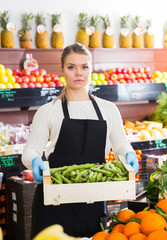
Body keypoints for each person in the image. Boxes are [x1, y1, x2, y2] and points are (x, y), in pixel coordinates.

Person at [22, 42, 139, 238]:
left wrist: (128, 154)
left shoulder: (107, 109)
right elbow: (31, 149)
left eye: (84, 67)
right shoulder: (49, 111)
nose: (78, 73)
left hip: (92, 201)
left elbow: (120, 145)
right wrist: (34, 161)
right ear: (62, 70)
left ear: (91, 69)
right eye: (71, 67)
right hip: (54, 199)